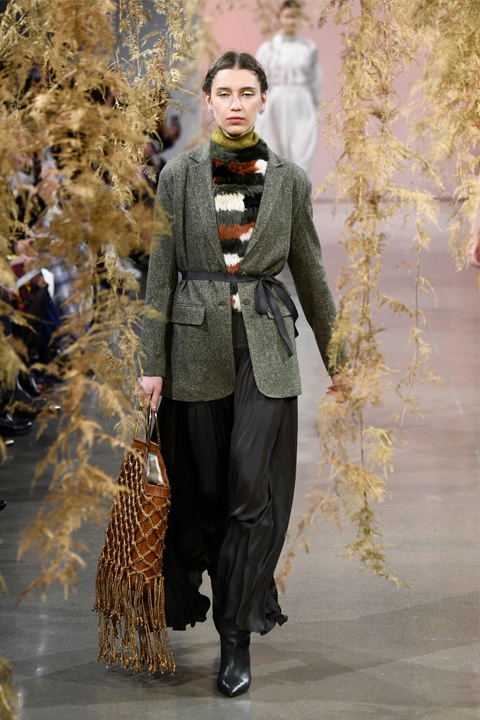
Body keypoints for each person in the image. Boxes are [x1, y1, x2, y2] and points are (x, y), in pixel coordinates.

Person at [139, 51, 345, 698]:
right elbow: (159, 273)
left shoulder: (290, 181)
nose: (234, 103)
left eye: (245, 92)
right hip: (194, 347)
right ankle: (223, 608)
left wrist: (339, 358)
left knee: (252, 494)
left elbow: (310, 272)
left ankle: (236, 637)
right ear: (207, 100)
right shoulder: (178, 177)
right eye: (223, 92)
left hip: (265, 347)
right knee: (206, 495)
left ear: (262, 100)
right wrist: (150, 365)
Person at [255, 0, 322, 178]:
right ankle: (280, 195)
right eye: (287, 17)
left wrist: (318, 107)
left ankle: (300, 195)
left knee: (302, 156)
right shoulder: (268, 49)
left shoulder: (308, 48)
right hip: (276, 101)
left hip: (302, 102)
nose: (291, 21)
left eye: (294, 17)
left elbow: (315, 80)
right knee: (276, 154)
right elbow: (258, 81)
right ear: (279, 18)